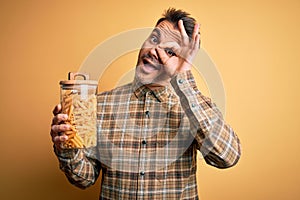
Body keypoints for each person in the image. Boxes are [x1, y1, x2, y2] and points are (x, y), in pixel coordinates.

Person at [50, 8, 241, 199]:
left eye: (169, 51)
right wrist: (67, 147)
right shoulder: (101, 104)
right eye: (154, 39)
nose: (153, 51)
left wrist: (182, 78)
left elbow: (226, 157)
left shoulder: (197, 108)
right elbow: (84, 178)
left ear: (184, 61)